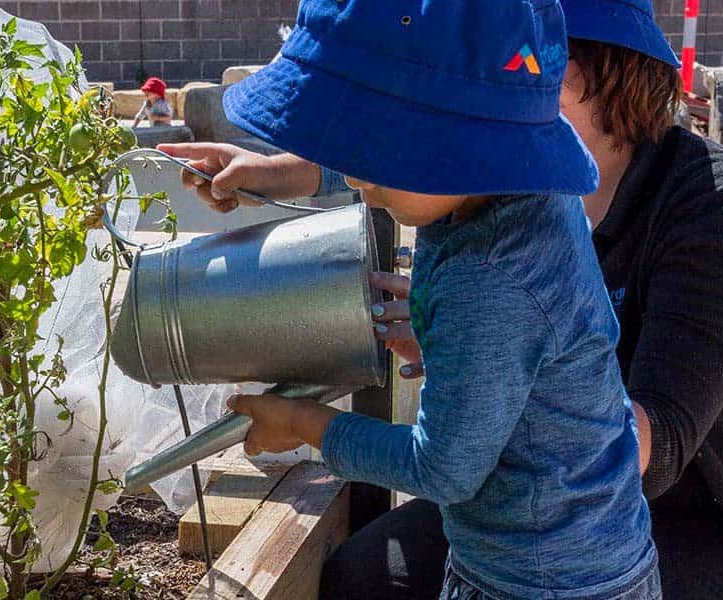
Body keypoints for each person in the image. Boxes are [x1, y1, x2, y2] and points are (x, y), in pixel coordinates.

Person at [162, 0, 723, 598]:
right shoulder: (518, 180)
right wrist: (282, 172)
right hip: (541, 497)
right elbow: (422, 143)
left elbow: (658, 440)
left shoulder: (712, 204)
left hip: (719, 517)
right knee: (367, 573)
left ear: (567, 70)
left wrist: (476, 351)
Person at [180, 1, 662, 599]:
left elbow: (443, 469)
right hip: (571, 545)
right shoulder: (514, 172)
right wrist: (273, 171)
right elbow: (402, 167)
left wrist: (307, 424)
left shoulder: (487, 280)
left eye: (375, 165)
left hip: (538, 582)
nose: (358, 181)